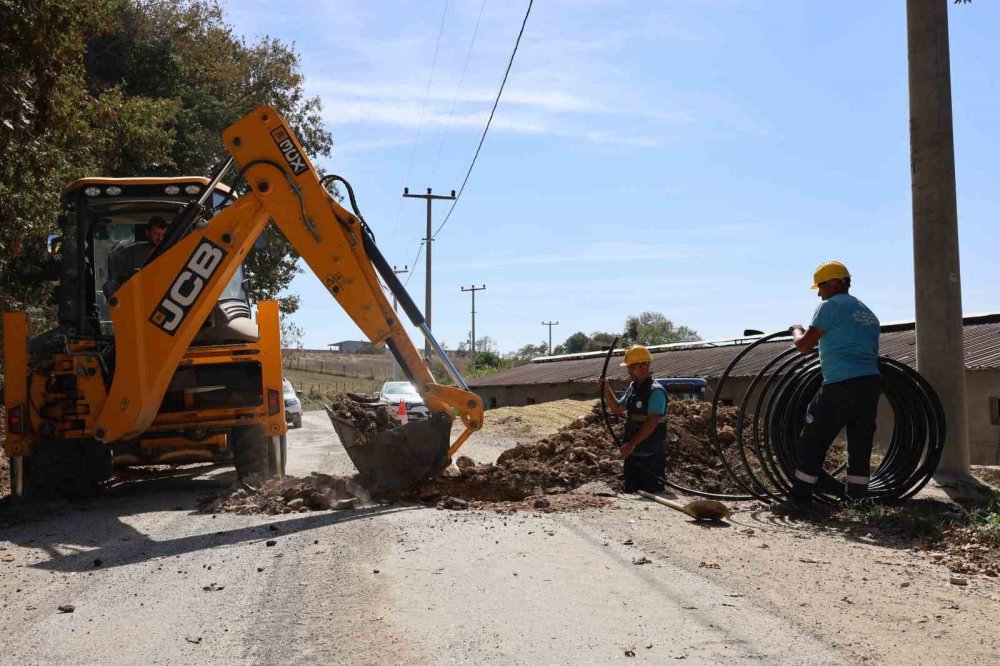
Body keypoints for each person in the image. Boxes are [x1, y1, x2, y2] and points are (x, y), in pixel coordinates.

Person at [773, 261, 881, 517]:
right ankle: (856, 501)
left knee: (813, 438)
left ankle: (799, 500)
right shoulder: (868, 313)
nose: (819, 293)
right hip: (870, 384)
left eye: (820, 286)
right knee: (860, 442)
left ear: (834, 283)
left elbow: (804, 346)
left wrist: (796, 330)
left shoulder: (829, 307)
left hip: (840, 384)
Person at [599, 345, 668, 494]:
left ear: (644, 366)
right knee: (632, 497)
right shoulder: (633, 388)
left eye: (631, 367)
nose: (628, 371)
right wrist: (605, 389)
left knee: (653, 497)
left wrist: (631, 445)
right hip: (633, 457)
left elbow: (652, 422)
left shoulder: (656, 391)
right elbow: (617, 408)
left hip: (651, 458)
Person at [110, 216, 169, 283]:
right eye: (156, 234)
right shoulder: (130, 254)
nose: (160, 238)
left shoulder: (171, 254)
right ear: (147, 233)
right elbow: (118, 278)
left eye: (163, 235)